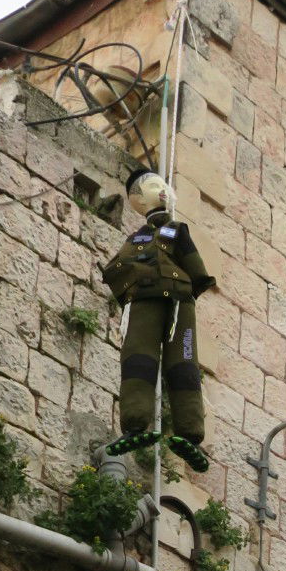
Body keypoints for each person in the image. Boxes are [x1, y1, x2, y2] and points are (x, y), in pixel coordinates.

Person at [100, 168, 216, 473]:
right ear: (137, 199)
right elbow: (117, 267)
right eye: (154, 185)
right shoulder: (136, 238)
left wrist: (191, 288)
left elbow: (197, 269)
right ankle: (136, 424)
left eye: (163, 184)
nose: (162, 189)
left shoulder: (177, 231)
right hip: (146, 302)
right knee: (138, 358)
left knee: (184, 363)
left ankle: (190, 434)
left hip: (178, 303)